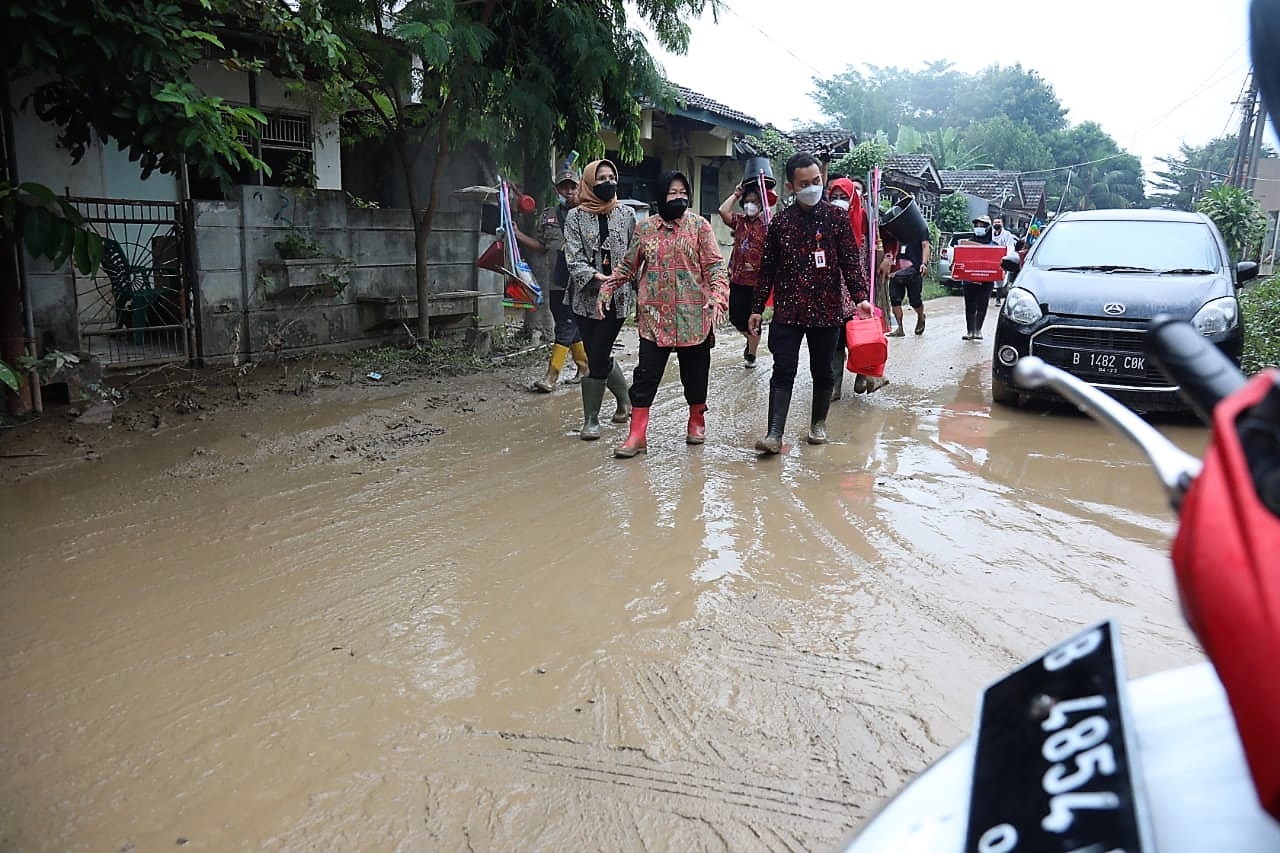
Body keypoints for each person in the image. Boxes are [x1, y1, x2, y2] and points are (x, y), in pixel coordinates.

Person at [749, 152, 872, 453]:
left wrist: (861, 299)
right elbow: (767, 269)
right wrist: (756, 308)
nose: (812, 187)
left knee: (823, 370)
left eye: (817, 181)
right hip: (788, 311)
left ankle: (818, 424)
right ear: (791, 187)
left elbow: (851, 264)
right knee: (783, 370)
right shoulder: (781, 223)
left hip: (826, 310)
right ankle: (774, 433)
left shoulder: (837, 219)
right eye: (804, 183)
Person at [602, 171, 730, 458]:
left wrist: (717, 297)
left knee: (695, 376)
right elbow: (627, 266)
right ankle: (637, 436)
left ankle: (696, 419)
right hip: (654, 318)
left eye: (683, 192)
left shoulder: (700, 227)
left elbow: (714, 267)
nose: (679, 197)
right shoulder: (645, 229)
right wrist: (609, 286)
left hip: (694, 316)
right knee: (645, 375)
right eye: (672, 192)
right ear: (661, 195)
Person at [563, 159, 636, 439]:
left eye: (611, 177)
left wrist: (624, 280)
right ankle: (625, 400)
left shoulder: (627, 214)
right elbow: (572, 256)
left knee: (597, 355)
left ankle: (591, 419)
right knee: (598, 353)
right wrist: (595, 277)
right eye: (601, 178)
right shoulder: (575, 217)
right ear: (590, 183)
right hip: (584, 298)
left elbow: (634, 253)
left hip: (617, 299)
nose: (607, 183)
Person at [518, 168, 590, 392]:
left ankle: (551, 376)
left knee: (566, 325)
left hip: (579, 283)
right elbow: (541, 246)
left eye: (572, 186)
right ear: (556, 189)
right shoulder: (548, 215)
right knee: (566, 324)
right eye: (563, 187)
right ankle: (584, 366)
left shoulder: (589, 215)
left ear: (580, 187)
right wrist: (517, 234)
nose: (568, 191)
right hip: (556, 281)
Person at [826, 176, 887, 396]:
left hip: (856, 289)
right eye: (834, 197)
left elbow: (876, 253)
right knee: (835, 339)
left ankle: (863, 374)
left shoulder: (864, 218)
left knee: (859, 335)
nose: (839, 201)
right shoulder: (825, 219)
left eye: (844, 197)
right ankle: (834, 386)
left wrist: (882, 257)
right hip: (831, 289)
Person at [717, 182, 774, 368]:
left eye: (755, 202)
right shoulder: (739, 221)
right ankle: (749, 340)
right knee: (735, 317)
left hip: (758, 282)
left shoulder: (768, 224)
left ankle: (751, 353)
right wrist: (736, 194)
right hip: (737, 278)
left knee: (754, 319)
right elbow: (722, 211)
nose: (751, 205)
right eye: (748, 201)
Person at [959, 215, 996, 340]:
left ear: (988, 228)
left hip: (986, 281)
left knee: (982, 304)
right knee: (970, 305)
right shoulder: (967, 244)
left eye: (982, 226)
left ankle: (978, 330)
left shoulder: (994, 246)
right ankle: (970, 331)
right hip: (969, 280)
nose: (979, 228)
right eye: (977, 226)